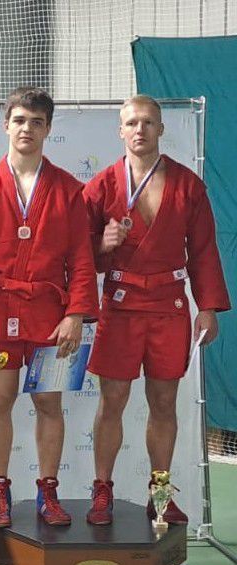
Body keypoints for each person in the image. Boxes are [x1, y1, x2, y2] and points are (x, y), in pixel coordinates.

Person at [0, 87, 98, 527]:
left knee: (49, 402)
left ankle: (48, 492)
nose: (26, 128)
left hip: (51, 313)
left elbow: (81, 260)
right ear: (5, 125)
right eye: (19, 120)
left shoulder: (70, 190)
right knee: (0, 401)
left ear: (47, 129)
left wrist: (76, 314)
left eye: (36, 122)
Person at [83, 95, 230, 525]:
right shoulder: (101, 187)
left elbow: (203, 250)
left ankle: (160, 495)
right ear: (120, 131)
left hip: (169, 305)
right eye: (132, 122)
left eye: (148, 122)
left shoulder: (188, 185)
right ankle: (102, 491)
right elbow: (76, 253)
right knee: (112, 400)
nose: (140, 129)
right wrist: (101, 245)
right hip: (120, 305)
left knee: (164, 402)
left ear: (161, 129)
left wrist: (208, 307)